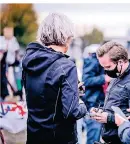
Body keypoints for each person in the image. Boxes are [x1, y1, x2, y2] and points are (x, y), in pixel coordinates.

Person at [22, 13, 87, 144]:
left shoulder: (29, 60)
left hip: (34, 136)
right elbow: (71, 112)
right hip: (59, 138)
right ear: (67, 36)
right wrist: (81, 103)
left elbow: (42, 95)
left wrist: (73, 91)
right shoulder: (66, 66)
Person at [91, 41, 130, 144]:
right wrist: (101, 112)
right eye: (103, 67)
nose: (105, 71)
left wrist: (108, 118)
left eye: (108, 67)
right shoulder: (117, 76)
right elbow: (117, 106)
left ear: (121, 62)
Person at [82, 44, 111, 144]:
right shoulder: (92, 61)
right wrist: (104, 78)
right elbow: (86, 80)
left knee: (98, 136)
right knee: (93, 135)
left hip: (100, 103)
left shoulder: (101, 62)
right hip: (93, 103)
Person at [0, 27, 20, 101]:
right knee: (5, 79)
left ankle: (19, 92)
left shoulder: (13, 40)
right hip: (5, 64)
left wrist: (17, 58)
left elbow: (16, 51)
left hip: (15, 64)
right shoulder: (1, 39)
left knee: (17, 79)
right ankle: (9, 93)